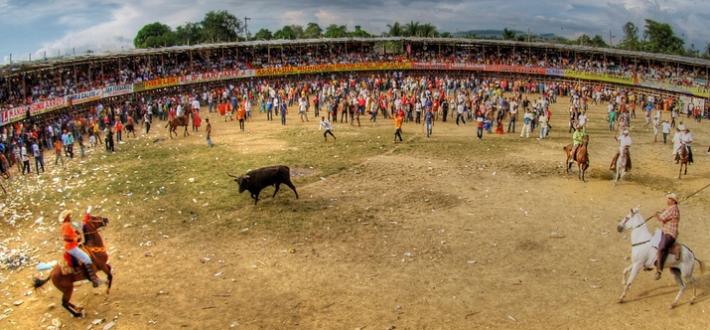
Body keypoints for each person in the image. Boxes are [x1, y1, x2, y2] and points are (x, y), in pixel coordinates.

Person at [59, 210, 102, 287]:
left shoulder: (66, 225)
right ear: (66, 218)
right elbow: (66, 237)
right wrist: (75, 238)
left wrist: (76, 235)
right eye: (69, 216)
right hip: (71, 247)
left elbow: (71, 234)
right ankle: (94, 280)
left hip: (72, 245)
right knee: (87, 258)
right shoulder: (66, 225)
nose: (70, 217)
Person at [654, 193, 680, 280]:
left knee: (661, 248)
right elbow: (666, 212)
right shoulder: (672, 208)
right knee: (653, 243)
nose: (667, 200)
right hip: (664, 231)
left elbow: (661, 218)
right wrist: (662, 211)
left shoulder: (672, 209)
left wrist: (656, 215)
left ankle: (659, 270)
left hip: (670, 233)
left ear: (673, 201)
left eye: (669, 199)